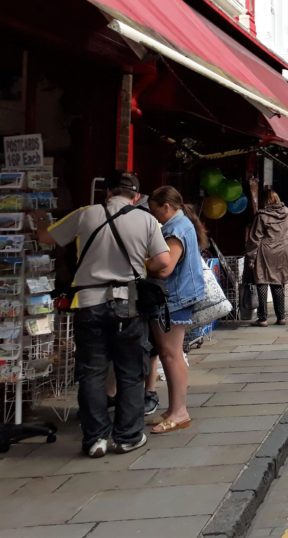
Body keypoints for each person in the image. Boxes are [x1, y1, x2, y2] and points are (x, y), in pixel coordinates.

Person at [33, 171, 170, 457]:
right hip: (128, 300)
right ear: (135, 196)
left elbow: (46, 238)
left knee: (92, 373)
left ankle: (95, 438)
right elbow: (163, 261)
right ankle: (128, 437)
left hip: (88, 299)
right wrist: (137, 265)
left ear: (107, 192)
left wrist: (39, 214)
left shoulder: (86, 214)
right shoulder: (146, 219)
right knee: (130, 371)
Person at [146, 186, 207, 434]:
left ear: (167, 207)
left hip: (174, 299)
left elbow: (165, 268)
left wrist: (143, 262)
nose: (154, 216)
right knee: (172, 354)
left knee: (170, 355)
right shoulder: (182, 224)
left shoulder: (174, 229)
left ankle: (179, 411)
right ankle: (174, 410)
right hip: (180, 296)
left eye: (155, 210)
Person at [246, 185, 288, 326]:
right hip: (284, 249)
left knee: (262, 281)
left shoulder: (261, 216)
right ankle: (281, 317)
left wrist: (250, 257)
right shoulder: (286, 211)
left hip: (267, 250)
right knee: (278, 282)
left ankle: (262, 318)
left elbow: (255, 238)